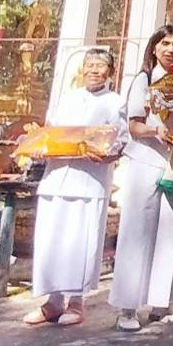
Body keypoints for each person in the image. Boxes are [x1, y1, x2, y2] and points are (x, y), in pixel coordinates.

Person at [23, 46, 127, 328]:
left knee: (80, 242)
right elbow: (51, 132)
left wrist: (107, 153)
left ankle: (76, 301)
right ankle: (51, 302)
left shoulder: (115, 102)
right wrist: (39, 148)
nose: (94, 70)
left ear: (110, 72)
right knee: (51, 241)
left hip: (89, 180)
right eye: (89, 65)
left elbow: (121, 142)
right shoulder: (66, 99)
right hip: (56, 178)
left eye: (100, 65)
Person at [110, 25, 173, 332]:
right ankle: (127, 307)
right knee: (137, 230)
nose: (171, 49)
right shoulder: (144, 79)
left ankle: (162, 303)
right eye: (165, 43)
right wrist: (155, 131)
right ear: (154, 47)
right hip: (145, 160)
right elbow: (134, 125)